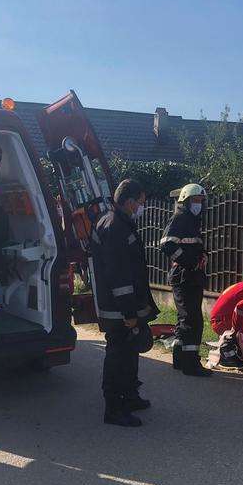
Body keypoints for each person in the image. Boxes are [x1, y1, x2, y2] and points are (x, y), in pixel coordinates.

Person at [89, 179, 160, 427]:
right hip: (118, 308)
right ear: (130, 202)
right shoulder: (114, 226)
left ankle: (129, 396)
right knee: (118, 355)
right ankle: (114, 408)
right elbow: (119, 275)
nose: (142, 207)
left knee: (129, 353)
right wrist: (129, 312)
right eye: (141, 202)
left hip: (123, 306)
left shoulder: (117, 221)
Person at [160, 183, 212, 376]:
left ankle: (180, 359)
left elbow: (192, 245)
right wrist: (190, 262)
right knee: (193, 320)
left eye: (201, 201)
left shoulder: (191, 220)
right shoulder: (181, 218)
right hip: (185, 277)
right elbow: (167, 244)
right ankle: (191, 364)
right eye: (196, 200)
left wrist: (202, 255)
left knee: (185, 319)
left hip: (190, 277)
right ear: (186, 200)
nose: (199, 204)